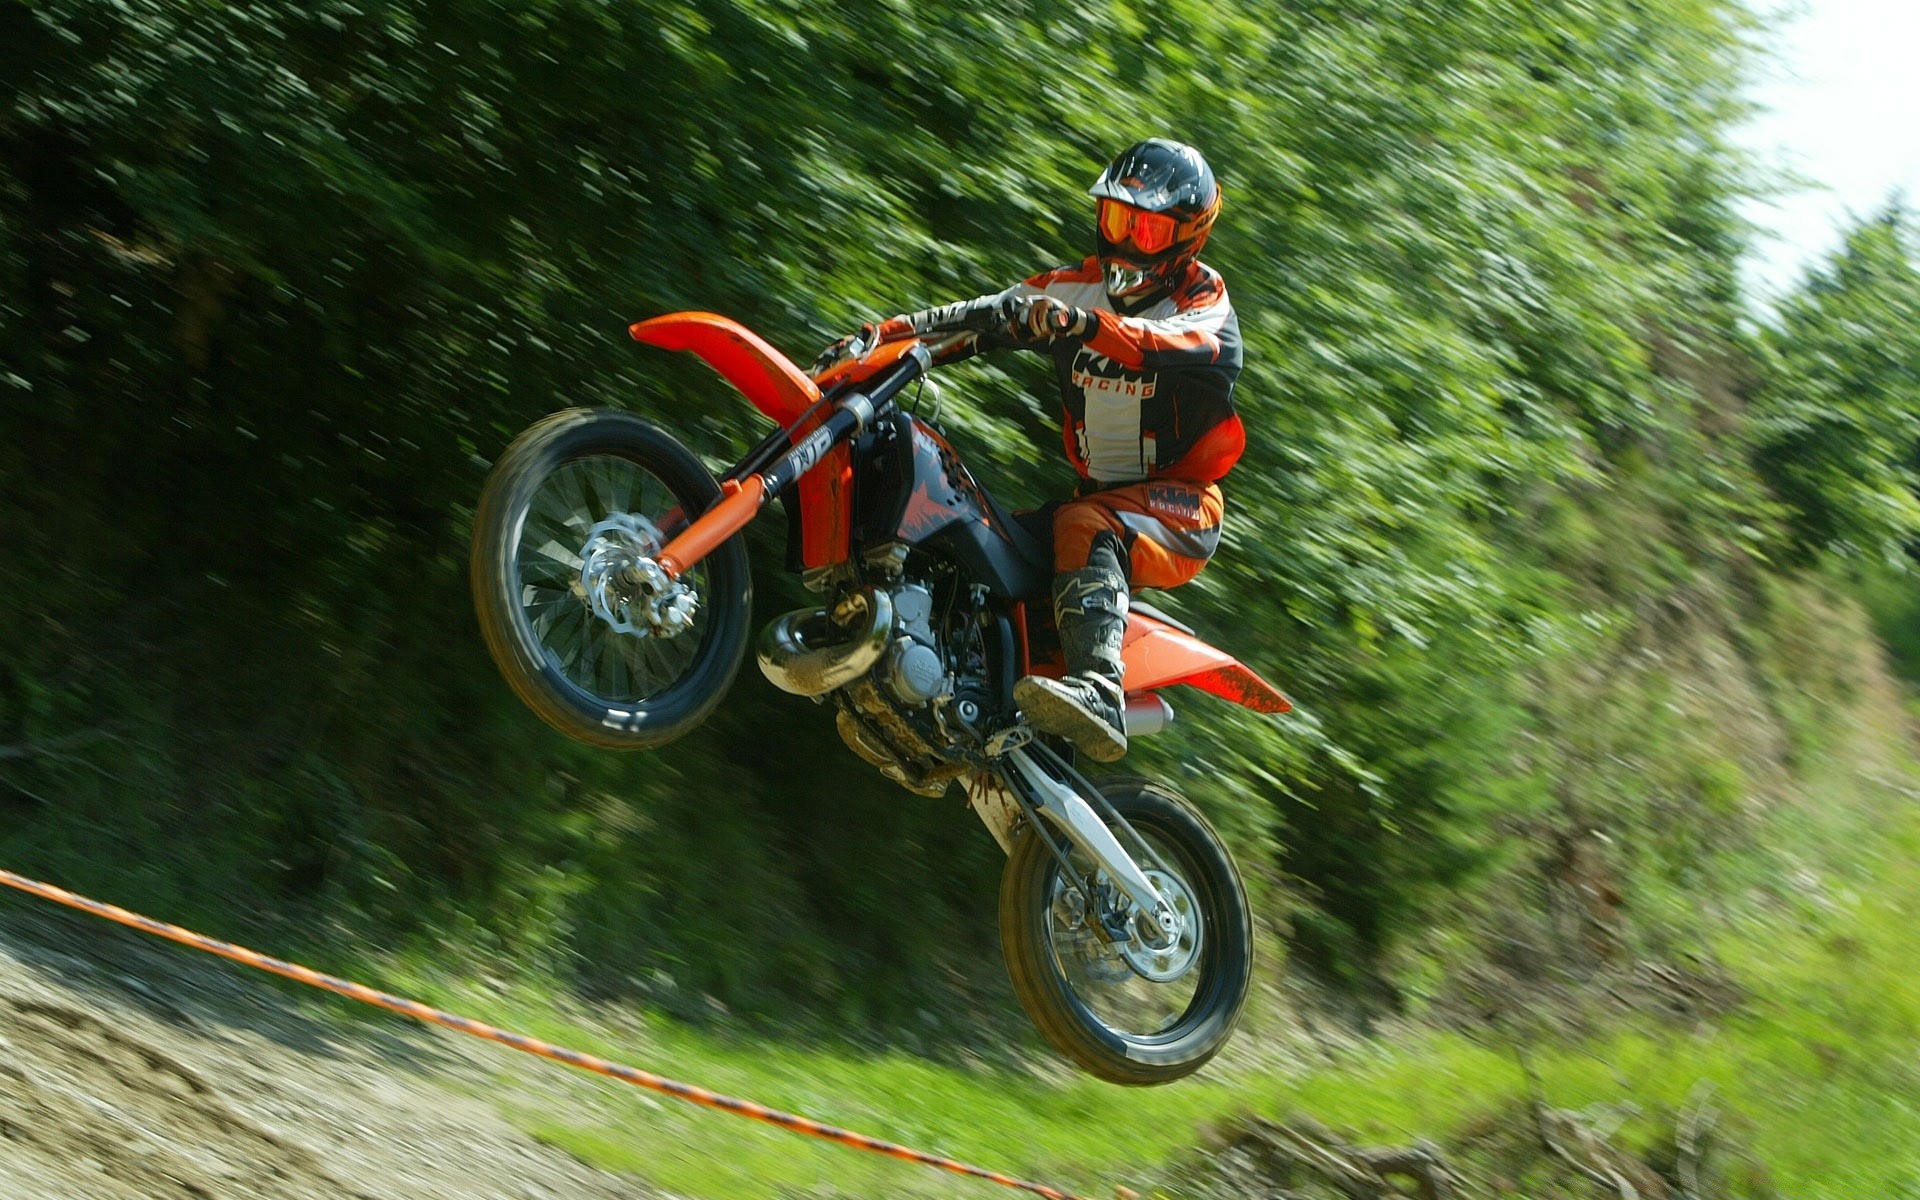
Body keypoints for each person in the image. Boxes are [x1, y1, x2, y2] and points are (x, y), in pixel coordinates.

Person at [822, 138, 1244, 763]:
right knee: (977, 546)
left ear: (1188, 237)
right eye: (1118, 220)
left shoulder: (1204, 303)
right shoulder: (1075, 287)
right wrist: (875, 339)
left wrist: (1082, 325)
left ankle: (1100, 688)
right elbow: (981, 317)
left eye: (1148, 229)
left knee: (1084, 525)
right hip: (1095, 501)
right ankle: (957, 695)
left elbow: (1168, 344)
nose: (1128, 242)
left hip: (1183, 508)